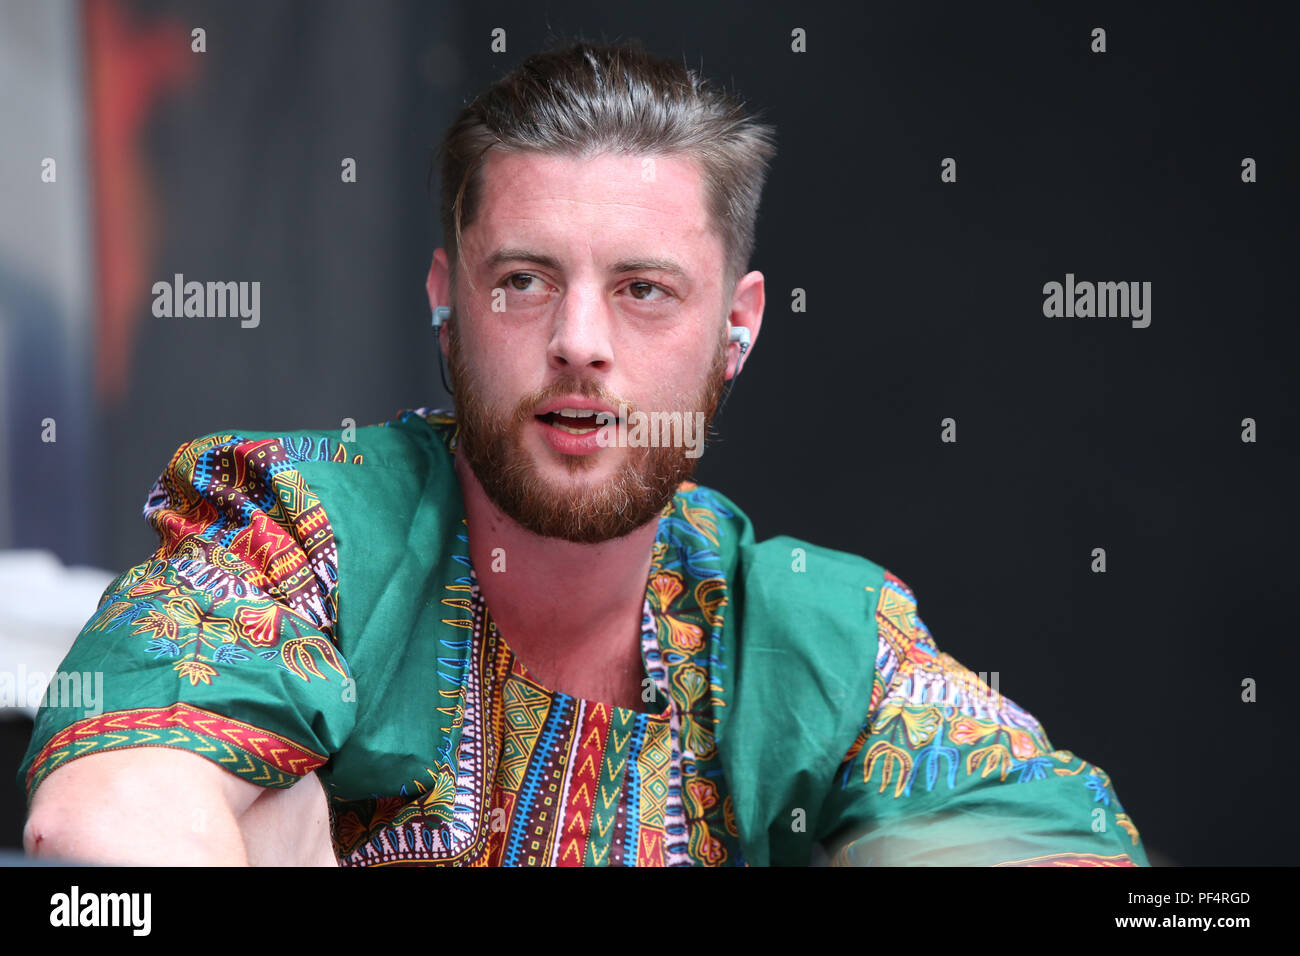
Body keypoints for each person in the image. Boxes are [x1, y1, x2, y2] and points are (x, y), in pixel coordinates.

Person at [19, 40, 1148, 867]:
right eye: (524, 281)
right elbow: (105, 819)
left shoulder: (815, 636)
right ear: (447, 304)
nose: (579, 342)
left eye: (644, 290)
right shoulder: (298, 529)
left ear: (737, 327)